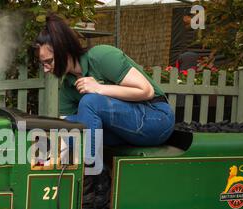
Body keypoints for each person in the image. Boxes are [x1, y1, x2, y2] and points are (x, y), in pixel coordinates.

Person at [35, 14, 175, 167]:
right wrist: (53, 158)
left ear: (64, 50)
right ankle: (80, 174)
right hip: (124, 132)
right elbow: (68, 128)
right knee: (68, 124)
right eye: (43, 64)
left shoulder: (102, 56)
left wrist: (98, 88)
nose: (46, 69)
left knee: (90, 101)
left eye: (48, 61)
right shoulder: (68, 84)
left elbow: (146, 91)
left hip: (156, 118)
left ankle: (91, 173)